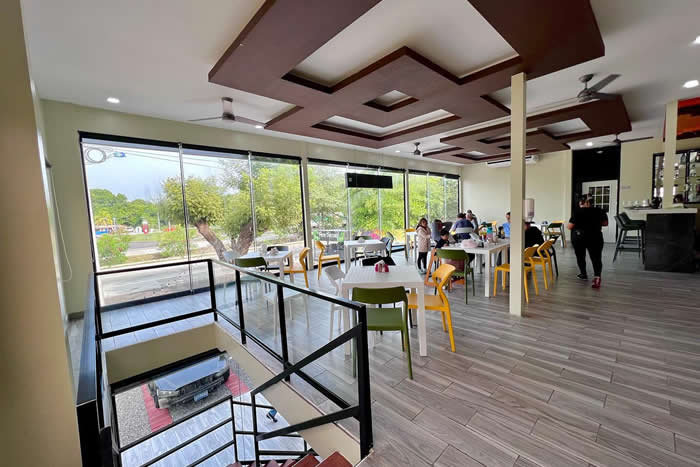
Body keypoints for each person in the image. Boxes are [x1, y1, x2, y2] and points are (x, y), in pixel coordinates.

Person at [568, 195, 608, 288]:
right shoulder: (600, 210)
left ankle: (583, 274)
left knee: (580, 257)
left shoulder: (577, 211)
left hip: (579, 237)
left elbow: (570, 226)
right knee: (596, 258)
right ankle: (597, 277)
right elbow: (605, 223)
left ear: (582, 202)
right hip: (596, 237)